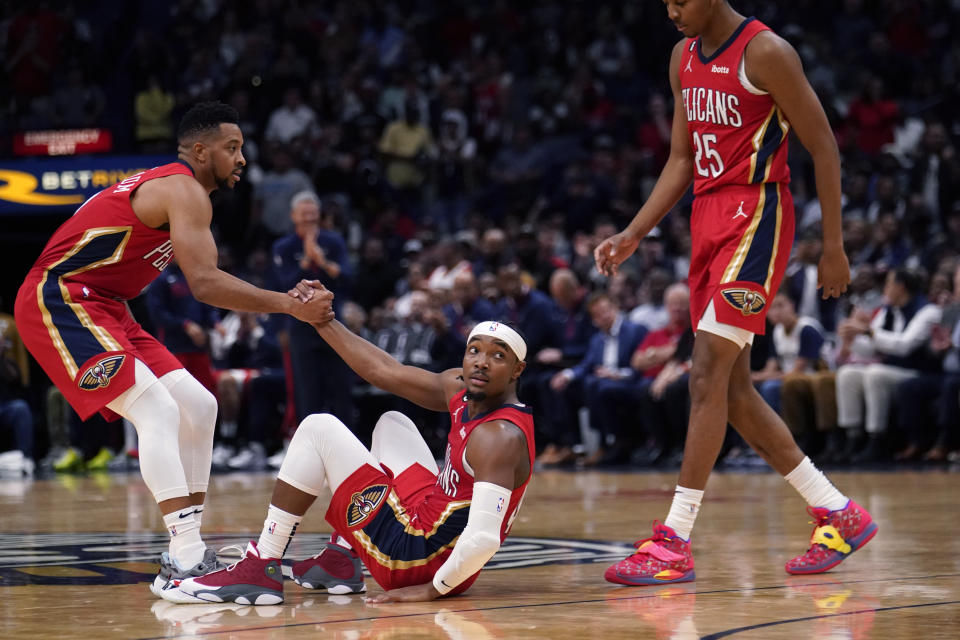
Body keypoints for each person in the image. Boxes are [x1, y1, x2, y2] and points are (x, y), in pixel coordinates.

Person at [593, 0, 875, 586]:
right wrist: (633, 233)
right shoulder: (682, 56)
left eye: (681, 0)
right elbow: (680, 158)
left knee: (703, 378)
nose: (671, 10)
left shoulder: (766, 51)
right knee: (736, 393)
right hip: (707, 220)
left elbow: (824, 146)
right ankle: (837, 512)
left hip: (759, 217)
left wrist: (833, 247)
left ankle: (672, 541)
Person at [13, 101, 334, 596]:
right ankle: (184, 558)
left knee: (200, 405)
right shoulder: (183, 189)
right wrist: (289, 305)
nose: (242, 159)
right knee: (158, 411)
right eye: (233, 148)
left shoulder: (176, 190)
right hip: (60, 297)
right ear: (200, 151)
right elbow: (204, 284)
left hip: (109, 305)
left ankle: (190, 545)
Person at [161, 314, 534, 605]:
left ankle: (260, 565)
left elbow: (484, 539)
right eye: (475, 351)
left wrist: (432, 590)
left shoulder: (497, 436)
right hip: (435, 530)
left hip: (415, 560)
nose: (482, 363)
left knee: (318, 429)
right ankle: (341, 558)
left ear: (517, 370)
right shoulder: (462, 391)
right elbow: (384, 371)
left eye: (498, 356)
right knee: (393, 424)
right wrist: (324, 321)